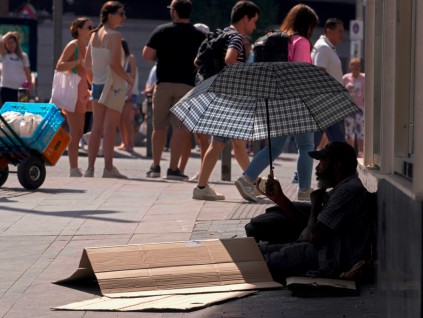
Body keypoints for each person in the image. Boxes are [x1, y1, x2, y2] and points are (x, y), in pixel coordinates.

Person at [235, 4, 318, 202]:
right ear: (307, 25)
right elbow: (299, 72)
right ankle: (305, 190)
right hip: (296, 99)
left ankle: (247, 179)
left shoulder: (276, 40)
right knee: (306, 146)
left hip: (274, 99)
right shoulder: (301, 42)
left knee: (275, 147)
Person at [256, 141, 371, 283]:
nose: (317, 169)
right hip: (312, 249)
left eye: (321, 163)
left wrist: (315, 206)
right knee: (257, 252)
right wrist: (280, 199)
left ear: (337, 166)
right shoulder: (342, 188)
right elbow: (309, 227)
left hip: (325, 258)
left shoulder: (349, 191)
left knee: (260, 265)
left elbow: (314, 236)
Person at [192, 0, 260, 201]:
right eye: (254, 21)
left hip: (217, 94)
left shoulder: (218, 35)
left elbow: (197, 62)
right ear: (245, 18)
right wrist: (244, 75)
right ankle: (202, 186)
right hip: (229, 96)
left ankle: (251, 184)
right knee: (219, 143)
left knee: (238, 144)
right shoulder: (237, 39)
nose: (254, 27)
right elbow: (230, 59)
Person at [142, 0, 206, 180]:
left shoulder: (161, 31)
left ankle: (155, 166)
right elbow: (202, 61)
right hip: (187, 86)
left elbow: (147, 55)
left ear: (174, 12)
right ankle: (173, 169)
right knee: (180, 128)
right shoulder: (198, 35)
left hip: (163, 84)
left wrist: (161, 56)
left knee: (159, 126)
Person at [84, 1, 134, 178]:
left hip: (97, 84)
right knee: (110, 128)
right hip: (113, 85)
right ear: (110, 15)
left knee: (96, 128)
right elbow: (114, 64)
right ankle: (108, 168)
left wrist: (93, 82)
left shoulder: (93, 34)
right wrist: (128, 78)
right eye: (121, 13)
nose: (124, 17)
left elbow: (87, 64)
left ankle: (89, 169)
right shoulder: (115, 35)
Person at [55, 17, 93, 177]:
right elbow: (60, 66)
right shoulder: (74, 45)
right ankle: (74, 169)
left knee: (105, 111)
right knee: (76, 133)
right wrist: (77, 62)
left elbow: (88, 73)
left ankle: (93, 136)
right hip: (74, 94)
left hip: (84, 93)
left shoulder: (86, 47)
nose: (93, 29)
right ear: (79, 30)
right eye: (89, 27)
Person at [311, 18, 346, 144]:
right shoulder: (324, 48)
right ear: (329, 31)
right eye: (339, 31)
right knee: (338, 142)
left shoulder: (327, 47)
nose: (342, 34)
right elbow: (320, 72)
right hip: (327, 103)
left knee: (315, 143)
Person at [117, 39, 138, 152]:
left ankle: (130, 143)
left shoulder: (131, 58)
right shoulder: (118, 59)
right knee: (120, 119)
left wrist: (130, 91)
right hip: (119, 91)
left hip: (129, 91)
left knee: (126, 118)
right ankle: (123, 142)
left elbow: (133, 74)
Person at [0, 31, 32, 105]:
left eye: (12, 42)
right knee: (7, 114)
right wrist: (9, 34)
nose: (10, 45)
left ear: (16, 43)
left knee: (21, 111)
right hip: (6, 88)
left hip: (22, 89)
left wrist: (30, 86)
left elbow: (27, 72)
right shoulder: (4, 55)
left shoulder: (23, 56)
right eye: (8, 43)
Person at [343, 58, 365, 157]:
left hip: (360, 108)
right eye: (353, 65)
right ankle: (349, 154)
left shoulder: (364, 78)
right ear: (350, 66)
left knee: (360, 131)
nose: (356, 68)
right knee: (349, 132)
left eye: (358, 65)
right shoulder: (345, 78)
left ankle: (361, 152)